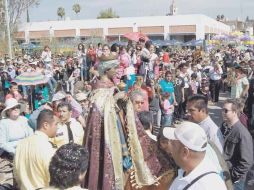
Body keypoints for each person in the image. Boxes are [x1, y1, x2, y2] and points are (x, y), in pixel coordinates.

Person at [163, 121, 227, 190]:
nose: (169, 147)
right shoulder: (192, 167)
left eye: (172, 143)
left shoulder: (205, 186)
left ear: (185, 152)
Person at [14, 109, 58, 190]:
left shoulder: (21, 144)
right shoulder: (46, 147)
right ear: (46, 125)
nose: (57, 127)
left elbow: (16, 175)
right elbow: (53, 176)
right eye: (56, 124)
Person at [221, 99, 253, 190]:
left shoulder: (242, 133)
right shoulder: (224, 126)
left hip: (235, 181)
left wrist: (232, 175)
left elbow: (247, 162)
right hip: (225, 173)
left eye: (226, 110)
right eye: (222, 110)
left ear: (234, 112)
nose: (223, 112)